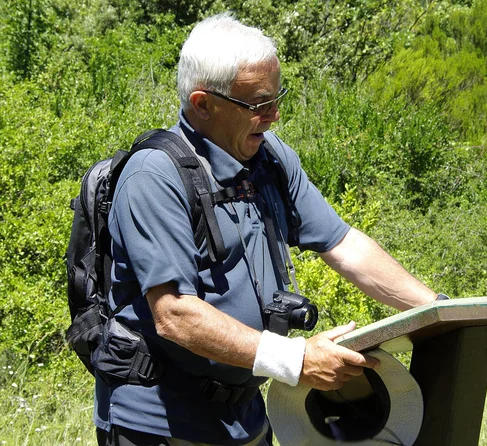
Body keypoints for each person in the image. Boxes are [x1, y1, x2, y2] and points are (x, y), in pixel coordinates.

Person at [94, 12, 440, 446]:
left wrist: (441, 313)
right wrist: (296, 360)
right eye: (258, 104)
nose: (274, 116)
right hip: (162, 427)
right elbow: (175, 315)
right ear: (202, 104)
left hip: (248, 416)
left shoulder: (268, 158)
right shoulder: (153, 177)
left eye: (277, 99)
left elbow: (343, 244)